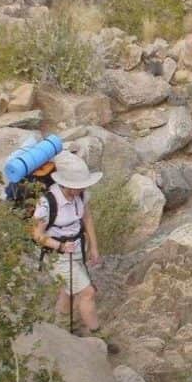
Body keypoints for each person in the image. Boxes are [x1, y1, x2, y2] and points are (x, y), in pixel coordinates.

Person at [30, 151, 116, 352]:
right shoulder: (47, 203)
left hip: (77, 250)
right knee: (87, 292)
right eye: (78, 186)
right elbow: (37, 235)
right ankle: (99, 336)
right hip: (57, 256)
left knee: (68, 290)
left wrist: (93, 246)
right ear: (65, 184)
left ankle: (61, 328)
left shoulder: (81, 195)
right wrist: (59, 246)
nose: (83, 188)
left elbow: (87, 218)